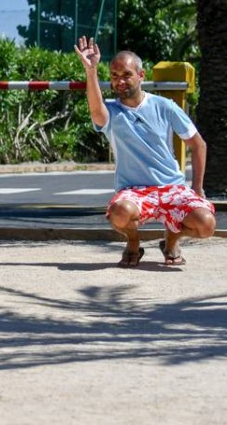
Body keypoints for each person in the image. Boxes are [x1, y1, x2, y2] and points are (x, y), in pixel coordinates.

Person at [74, 36, 216, 268]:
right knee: (119, 212)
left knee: (206, 224)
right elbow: (95, 109)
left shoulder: (164, 106)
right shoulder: (110, 112)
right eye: (114, 76)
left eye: (126, 74)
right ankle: (133, 242)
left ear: (141, 75)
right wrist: (91, 71)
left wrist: (198, 189)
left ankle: (171, 239)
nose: (120, 81)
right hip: (134, 191)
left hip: (172, 188)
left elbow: (198, 144)